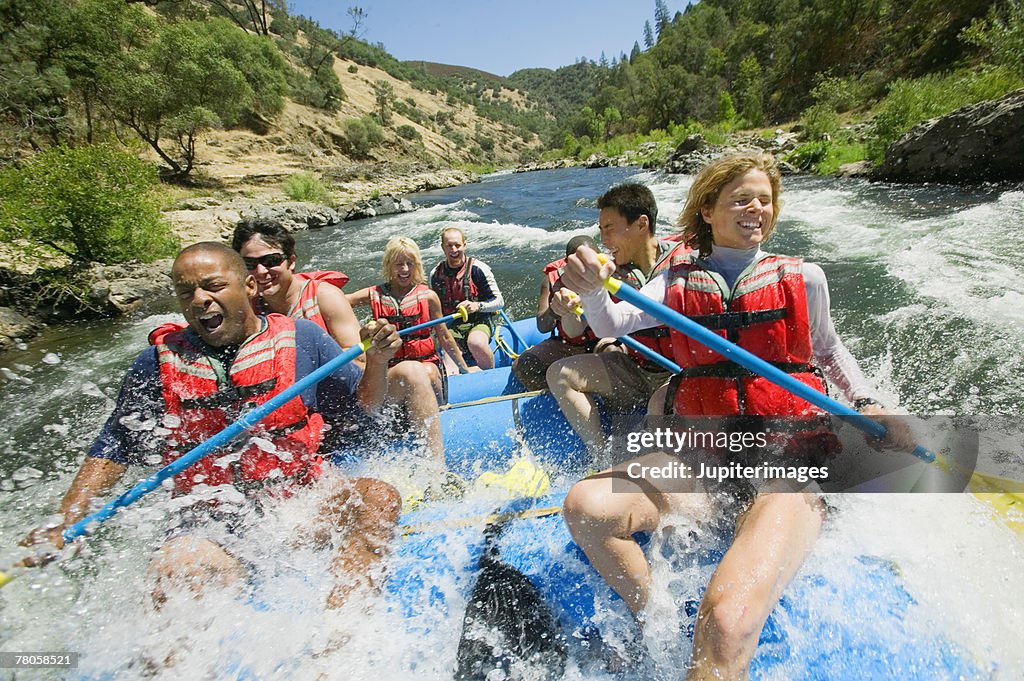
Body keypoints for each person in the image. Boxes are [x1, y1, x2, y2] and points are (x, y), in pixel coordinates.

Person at [559, 153, 915, 679]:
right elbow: (612, 318)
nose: (756, 209)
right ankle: (657, 621)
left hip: (788, 467)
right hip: (707, 464)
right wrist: (590, 287)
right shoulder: (673, 281)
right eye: (741, 199)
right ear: (707, 209)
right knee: (589, 507)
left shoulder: (805, 277)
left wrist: (865, 402)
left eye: (765, 200)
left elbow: (830, 351)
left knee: (726, 624)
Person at [21, 243, 403, 610]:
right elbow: (114, 448)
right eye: (186, 292)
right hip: (212, 522)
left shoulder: (304, 338)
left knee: (378, 498)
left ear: (249, 286)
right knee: (175, 572)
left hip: (300, 501)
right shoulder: (155, 363)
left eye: (214, 286)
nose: (199, 299)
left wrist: (378, 362)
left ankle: (340, 639)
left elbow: (363, 407)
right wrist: (66, 522)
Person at [233, 220, 445, 463]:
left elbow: (359, 361)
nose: (261, 272)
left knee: (413, 371)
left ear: (291, 261)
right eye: (250, 264)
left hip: (351, 403)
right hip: (292, 416)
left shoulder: (324, 296)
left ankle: (436, 473)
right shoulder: (244, 313)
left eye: (271, 261)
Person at [546, 184, 685, 465]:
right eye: (600, 229)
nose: (603, 238)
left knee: (659, 404)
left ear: (641, 224)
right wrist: (566, 309)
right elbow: (574, 331)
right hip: (635, 369)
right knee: (560, 373)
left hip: (679, 373)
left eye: (609, 227)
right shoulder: (605, 271)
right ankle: (601, 460)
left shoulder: (685, 262)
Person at [347, 236, 471, 403]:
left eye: (409, 264)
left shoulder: (428, 297)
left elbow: (444, 336)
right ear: (389, 266)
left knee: (429, 373)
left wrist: (464, 370)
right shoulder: (374, 294)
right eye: (399, 264)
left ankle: (440, 411)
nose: (405, 269)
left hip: (425, 363)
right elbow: (340, 302)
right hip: (389, 367)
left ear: (417, 266)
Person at [511, 235, 602, 391]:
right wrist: (555, 310)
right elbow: (542, 325)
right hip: (569, 345)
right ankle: (557, 398)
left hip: (601, 342)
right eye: (581, 262)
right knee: (524, 364)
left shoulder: (611, 274)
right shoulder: (551, 280)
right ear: (568, 263)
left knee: (613, 351)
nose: (588, 266)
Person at [429, 226, 504, 372]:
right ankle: (457, 383)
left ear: (464, 245)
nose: (454, 250)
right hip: (452, 326)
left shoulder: (478, 269)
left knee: (475, 343)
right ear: (442, 247)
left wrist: (478, 306)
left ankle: (491, 376)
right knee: (447, 355)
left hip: (478, 321)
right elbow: (433, 309)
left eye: (457, 245)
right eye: (449, 246)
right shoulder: (435, 274)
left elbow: (499, 301)